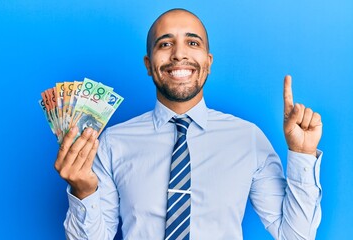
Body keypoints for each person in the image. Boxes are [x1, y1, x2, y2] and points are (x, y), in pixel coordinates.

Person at [55, 8, 323, 240]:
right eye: (165, 44)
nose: (179, 54)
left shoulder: (248, 138)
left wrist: (303, 155)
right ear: (149, 64)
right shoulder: (113, 142)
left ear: (208, 61)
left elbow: (296, 235)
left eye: (193, 43)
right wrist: (83, 191)